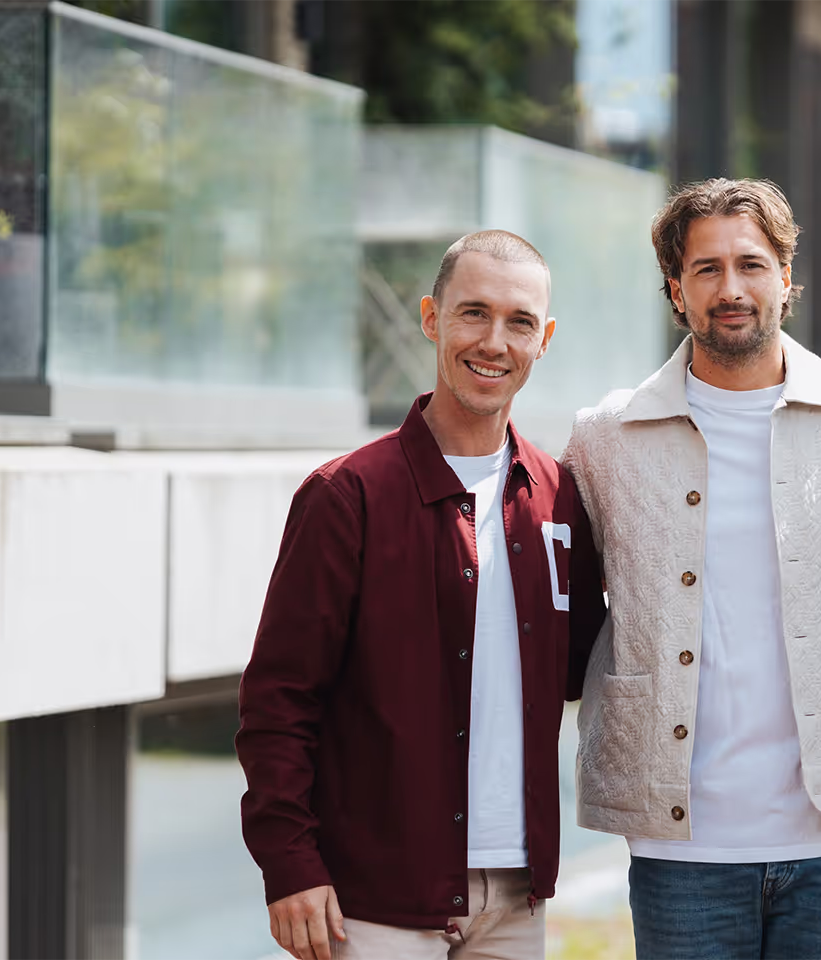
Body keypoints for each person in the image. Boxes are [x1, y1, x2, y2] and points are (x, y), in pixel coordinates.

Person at [236, 230, 606, 960]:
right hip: (374, 901)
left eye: (519, 322)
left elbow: (583, 667)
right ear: (432, 318)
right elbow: (278, 701)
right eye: (473, 313)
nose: (494, 341)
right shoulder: (347, 497)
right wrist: (289, 865)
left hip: (516, 898)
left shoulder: (561, 498)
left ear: (546, 338)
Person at [563, 178, 821, 960]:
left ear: (787, 277)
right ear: (675, 291)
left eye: (751, 264)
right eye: (706, 269)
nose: (731, 289)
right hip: (681, 843)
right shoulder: (606, 437)